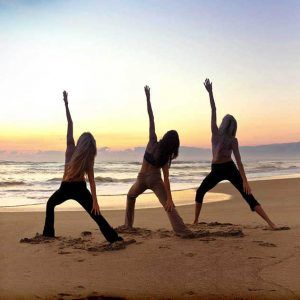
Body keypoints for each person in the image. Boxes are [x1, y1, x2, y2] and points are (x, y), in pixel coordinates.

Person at [193, 79, 276, 229]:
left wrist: (245, 181)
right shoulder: (216, 133)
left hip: (228, 169)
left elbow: (239, 161)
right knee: (200, 191)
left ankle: (270, 223)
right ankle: (195, 221)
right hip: (218, 170)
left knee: (248, 196)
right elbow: (213, 110)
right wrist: (210, 93)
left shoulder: (231, 140)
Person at [43, 91, 123, 243]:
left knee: (50, 204)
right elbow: (92, 182)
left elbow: (70, 123)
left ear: (80, 142)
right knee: (96, 214)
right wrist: (95, 201)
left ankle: (48, 235)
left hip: (65, 188)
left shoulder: (70, 148)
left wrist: (66, 103)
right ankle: (114, 238)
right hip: (80, 189)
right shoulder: (88, 160)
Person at [123, 86, 193, 237]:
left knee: (130, 196)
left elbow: (151, 118)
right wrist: (170, 198)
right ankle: (182, 231)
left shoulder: (152, 141)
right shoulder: (165, 155)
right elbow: (166, 178)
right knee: (168, 206)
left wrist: (148, 99)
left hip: (141, 178)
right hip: (155, 180)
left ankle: (128, 225)